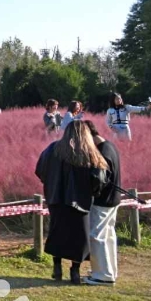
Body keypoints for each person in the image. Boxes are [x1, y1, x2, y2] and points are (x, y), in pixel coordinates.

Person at [35, 120, 108, 284]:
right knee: (79, 238)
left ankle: (57, 267)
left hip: (56, 199)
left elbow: (40, 170)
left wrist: (51, 184)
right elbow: (99, 178)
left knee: (57, 233)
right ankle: (75, 271)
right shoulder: (90, 153)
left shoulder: (52, 149)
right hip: (80, 202)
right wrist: (93, 192)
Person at [83, 121, 121, 285]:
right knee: (109, 236)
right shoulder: (110, 146)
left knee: (96, 236)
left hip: (102, 201)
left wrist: (91, 191)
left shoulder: (102, 152)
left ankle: (102, 275)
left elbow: (99, 179)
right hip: (113, 199)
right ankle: (109, 271)